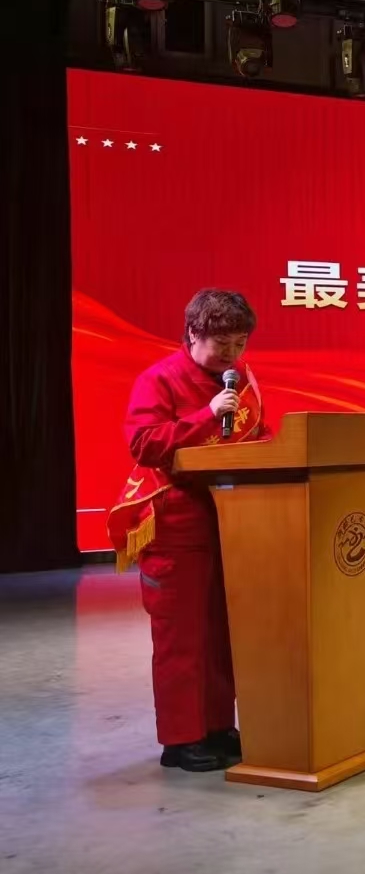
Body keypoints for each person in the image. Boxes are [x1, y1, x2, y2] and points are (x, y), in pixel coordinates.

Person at [107, 289, 269, 772]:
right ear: (194, 332)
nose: (233, 355)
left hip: (232, 521)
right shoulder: (159, 379)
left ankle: (216, 726)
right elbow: (143, 444)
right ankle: (181, 739)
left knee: (222, 635)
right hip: (177, 526)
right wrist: (206, 415)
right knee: (182, 639)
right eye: (223, 344)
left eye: (240, 344)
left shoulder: (240, 382)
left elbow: (257, 437)